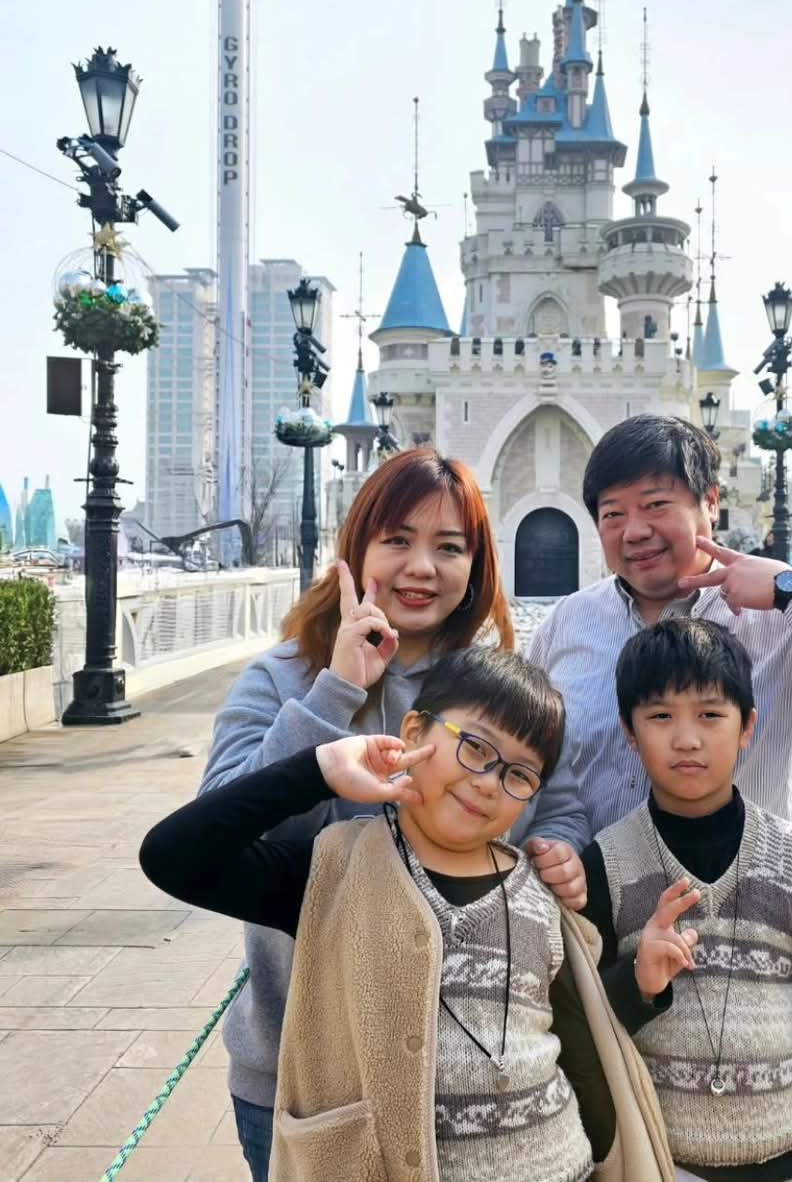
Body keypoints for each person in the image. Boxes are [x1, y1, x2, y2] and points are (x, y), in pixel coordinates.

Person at [141, 648, 675, 1182]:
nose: (489, 781)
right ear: (414, 732)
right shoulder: (332, 873)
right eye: (474, 747)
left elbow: (578, 1045)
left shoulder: (539, 890)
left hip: (559, 1163)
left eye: (519, 774)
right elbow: (174, 856)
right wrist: (319, 769)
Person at [198, 448, 578, 1180]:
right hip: (305, 1066)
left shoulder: (489, 686)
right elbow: (220, 831)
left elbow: (556, 791)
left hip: (465, 1069)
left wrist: (558, 842)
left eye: (450, 547)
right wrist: (335, 692)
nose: (421, 567)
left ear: (477, 566)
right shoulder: (285, 677)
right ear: (359, 546)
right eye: (398, 539)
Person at [517, 414, 792, 850]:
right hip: (593, 887)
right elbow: (526, 759)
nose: (635, 531)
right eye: (613, 514)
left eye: (656, 505)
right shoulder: (568, 623)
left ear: (711, 503)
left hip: (753, 889)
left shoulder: (782, 619)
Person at [582, 618, 792, 1182]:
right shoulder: (606, 864)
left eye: (710, 715)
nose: (687, 739)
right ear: (629, 731)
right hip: (662, 1165)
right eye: (660, 716)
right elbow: (581, 1032)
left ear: (747, 726)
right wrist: (637, 983)